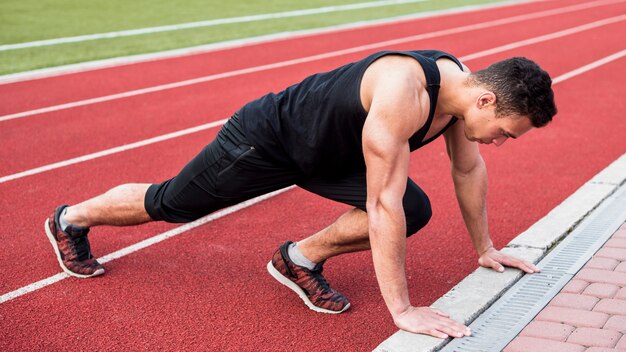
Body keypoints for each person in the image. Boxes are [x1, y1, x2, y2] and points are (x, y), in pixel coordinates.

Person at [44, 49, 556, 339]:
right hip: (267, 141)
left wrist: (484, 248)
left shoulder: (459, 98)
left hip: (330, 156)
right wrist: (402, 310)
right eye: (507, 131)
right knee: (170, 203)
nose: (502, 141)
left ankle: (297, 258)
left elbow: (468, 172)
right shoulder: (406, 90)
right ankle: (70, 220)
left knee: (414, 208)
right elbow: (380, 205)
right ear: (486, 99)